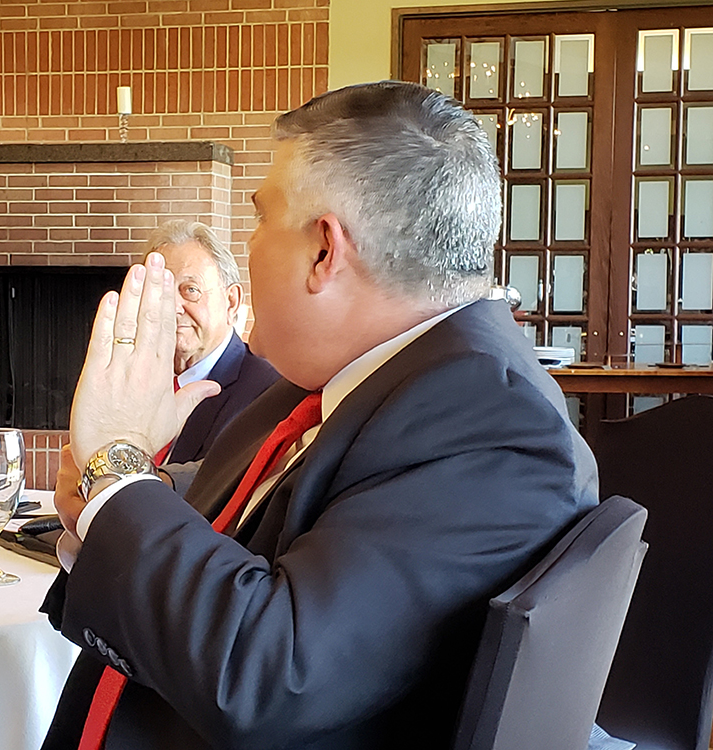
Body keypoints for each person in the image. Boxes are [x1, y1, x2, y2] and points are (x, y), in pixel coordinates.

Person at [41, 81, 598, 749]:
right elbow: (250, 520)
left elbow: (269, 674)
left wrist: (119, 474)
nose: (249, 242)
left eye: (260, 217)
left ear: (324, 251)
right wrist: (111, 500)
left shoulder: (495, 428)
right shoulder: (347, 385)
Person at [143, 220, 278, 464]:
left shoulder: (267, 392)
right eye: (160, 292)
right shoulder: (138, 381)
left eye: (190, 290)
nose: (172, 307)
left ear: (231, 302)